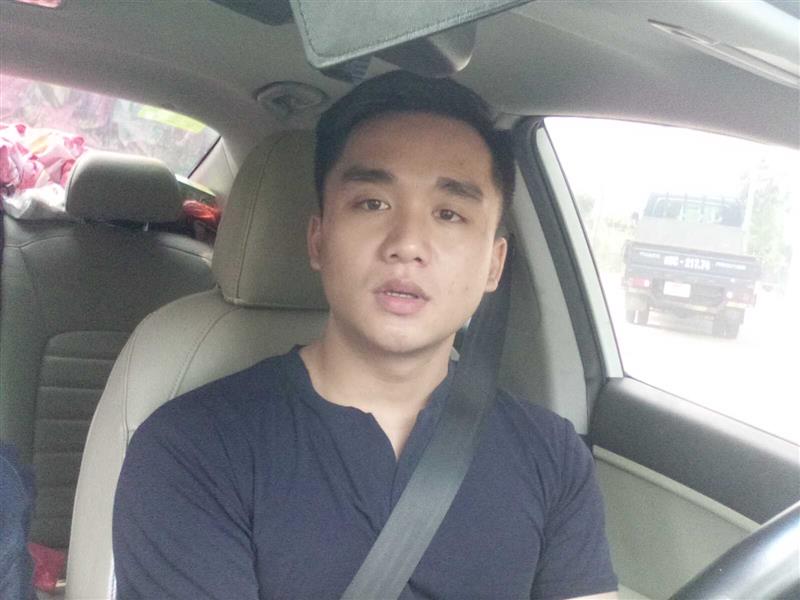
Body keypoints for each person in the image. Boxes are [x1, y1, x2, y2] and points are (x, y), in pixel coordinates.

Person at [113, 71, 618, 600]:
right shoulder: (193, 450)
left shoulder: (552, 457)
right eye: (373, 204)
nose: (407, 244)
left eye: (449, 214)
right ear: (319, 240)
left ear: (494, 265)